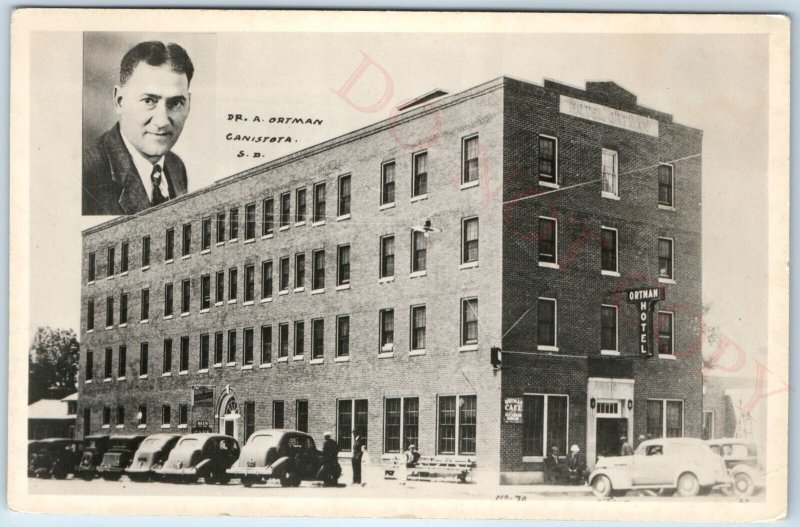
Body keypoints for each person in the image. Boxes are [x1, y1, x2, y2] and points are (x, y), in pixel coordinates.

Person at [83, 41, 193, 215]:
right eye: (149, 101)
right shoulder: (85, 175)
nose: (162, 121)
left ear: (189, 105)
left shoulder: (176, 166)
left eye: (176, 103)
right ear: (119, 101)